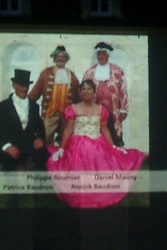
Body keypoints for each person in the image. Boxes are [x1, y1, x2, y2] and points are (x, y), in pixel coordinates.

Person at [45, 79, 145, 208]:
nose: (86, 91)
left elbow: (105, 130)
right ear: (80, 92)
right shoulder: (73, 108)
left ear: (94, 93)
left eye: (89, 89)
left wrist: (113, 146)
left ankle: (101, 193)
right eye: (83, 89)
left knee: (107, 162)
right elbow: (68, 130)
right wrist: (61, 149)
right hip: (77, 144)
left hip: (98, 142)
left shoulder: (101, 109)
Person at [0, 69, 48, 171]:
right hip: (12, 145)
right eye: (21, 85)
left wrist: (39, 138)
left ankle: (40, 181)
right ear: (14, 85)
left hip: (30, 145)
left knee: (44, 157)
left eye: (26, 86)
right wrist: (7, 146)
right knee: (9, 166)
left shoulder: (34, 106)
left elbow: (39, 127)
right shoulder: (2, 107)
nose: (24, 89)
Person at [28, 45, 79, 145]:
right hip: (50, 112)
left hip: (66, 114)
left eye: (63, 57)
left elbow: (77, 95)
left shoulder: (72, 75)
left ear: (66, 59)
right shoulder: (46, 73)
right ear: (54, 58)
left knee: (66, 139)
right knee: (45, 136)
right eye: (58, 56)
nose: (60, 58)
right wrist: (26, 102)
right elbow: (36, 91)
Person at [82, 41, 129, 146]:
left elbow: (123, 90)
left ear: (108, 55)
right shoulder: (89, 72)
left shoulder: (117, 71)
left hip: (113, 111)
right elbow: (83, 91)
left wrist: (124, 109)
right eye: (99, 54)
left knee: (114, 138)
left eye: (104, 54)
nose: (101, 56)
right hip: (94, 111)